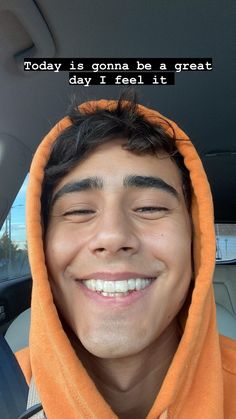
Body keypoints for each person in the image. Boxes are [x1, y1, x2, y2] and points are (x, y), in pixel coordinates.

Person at [16, 91, 236, 418]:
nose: (113, 236)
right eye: (78, 211)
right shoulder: (10, 384)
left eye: (150, 207)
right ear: (41, 244)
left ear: (196, 241)